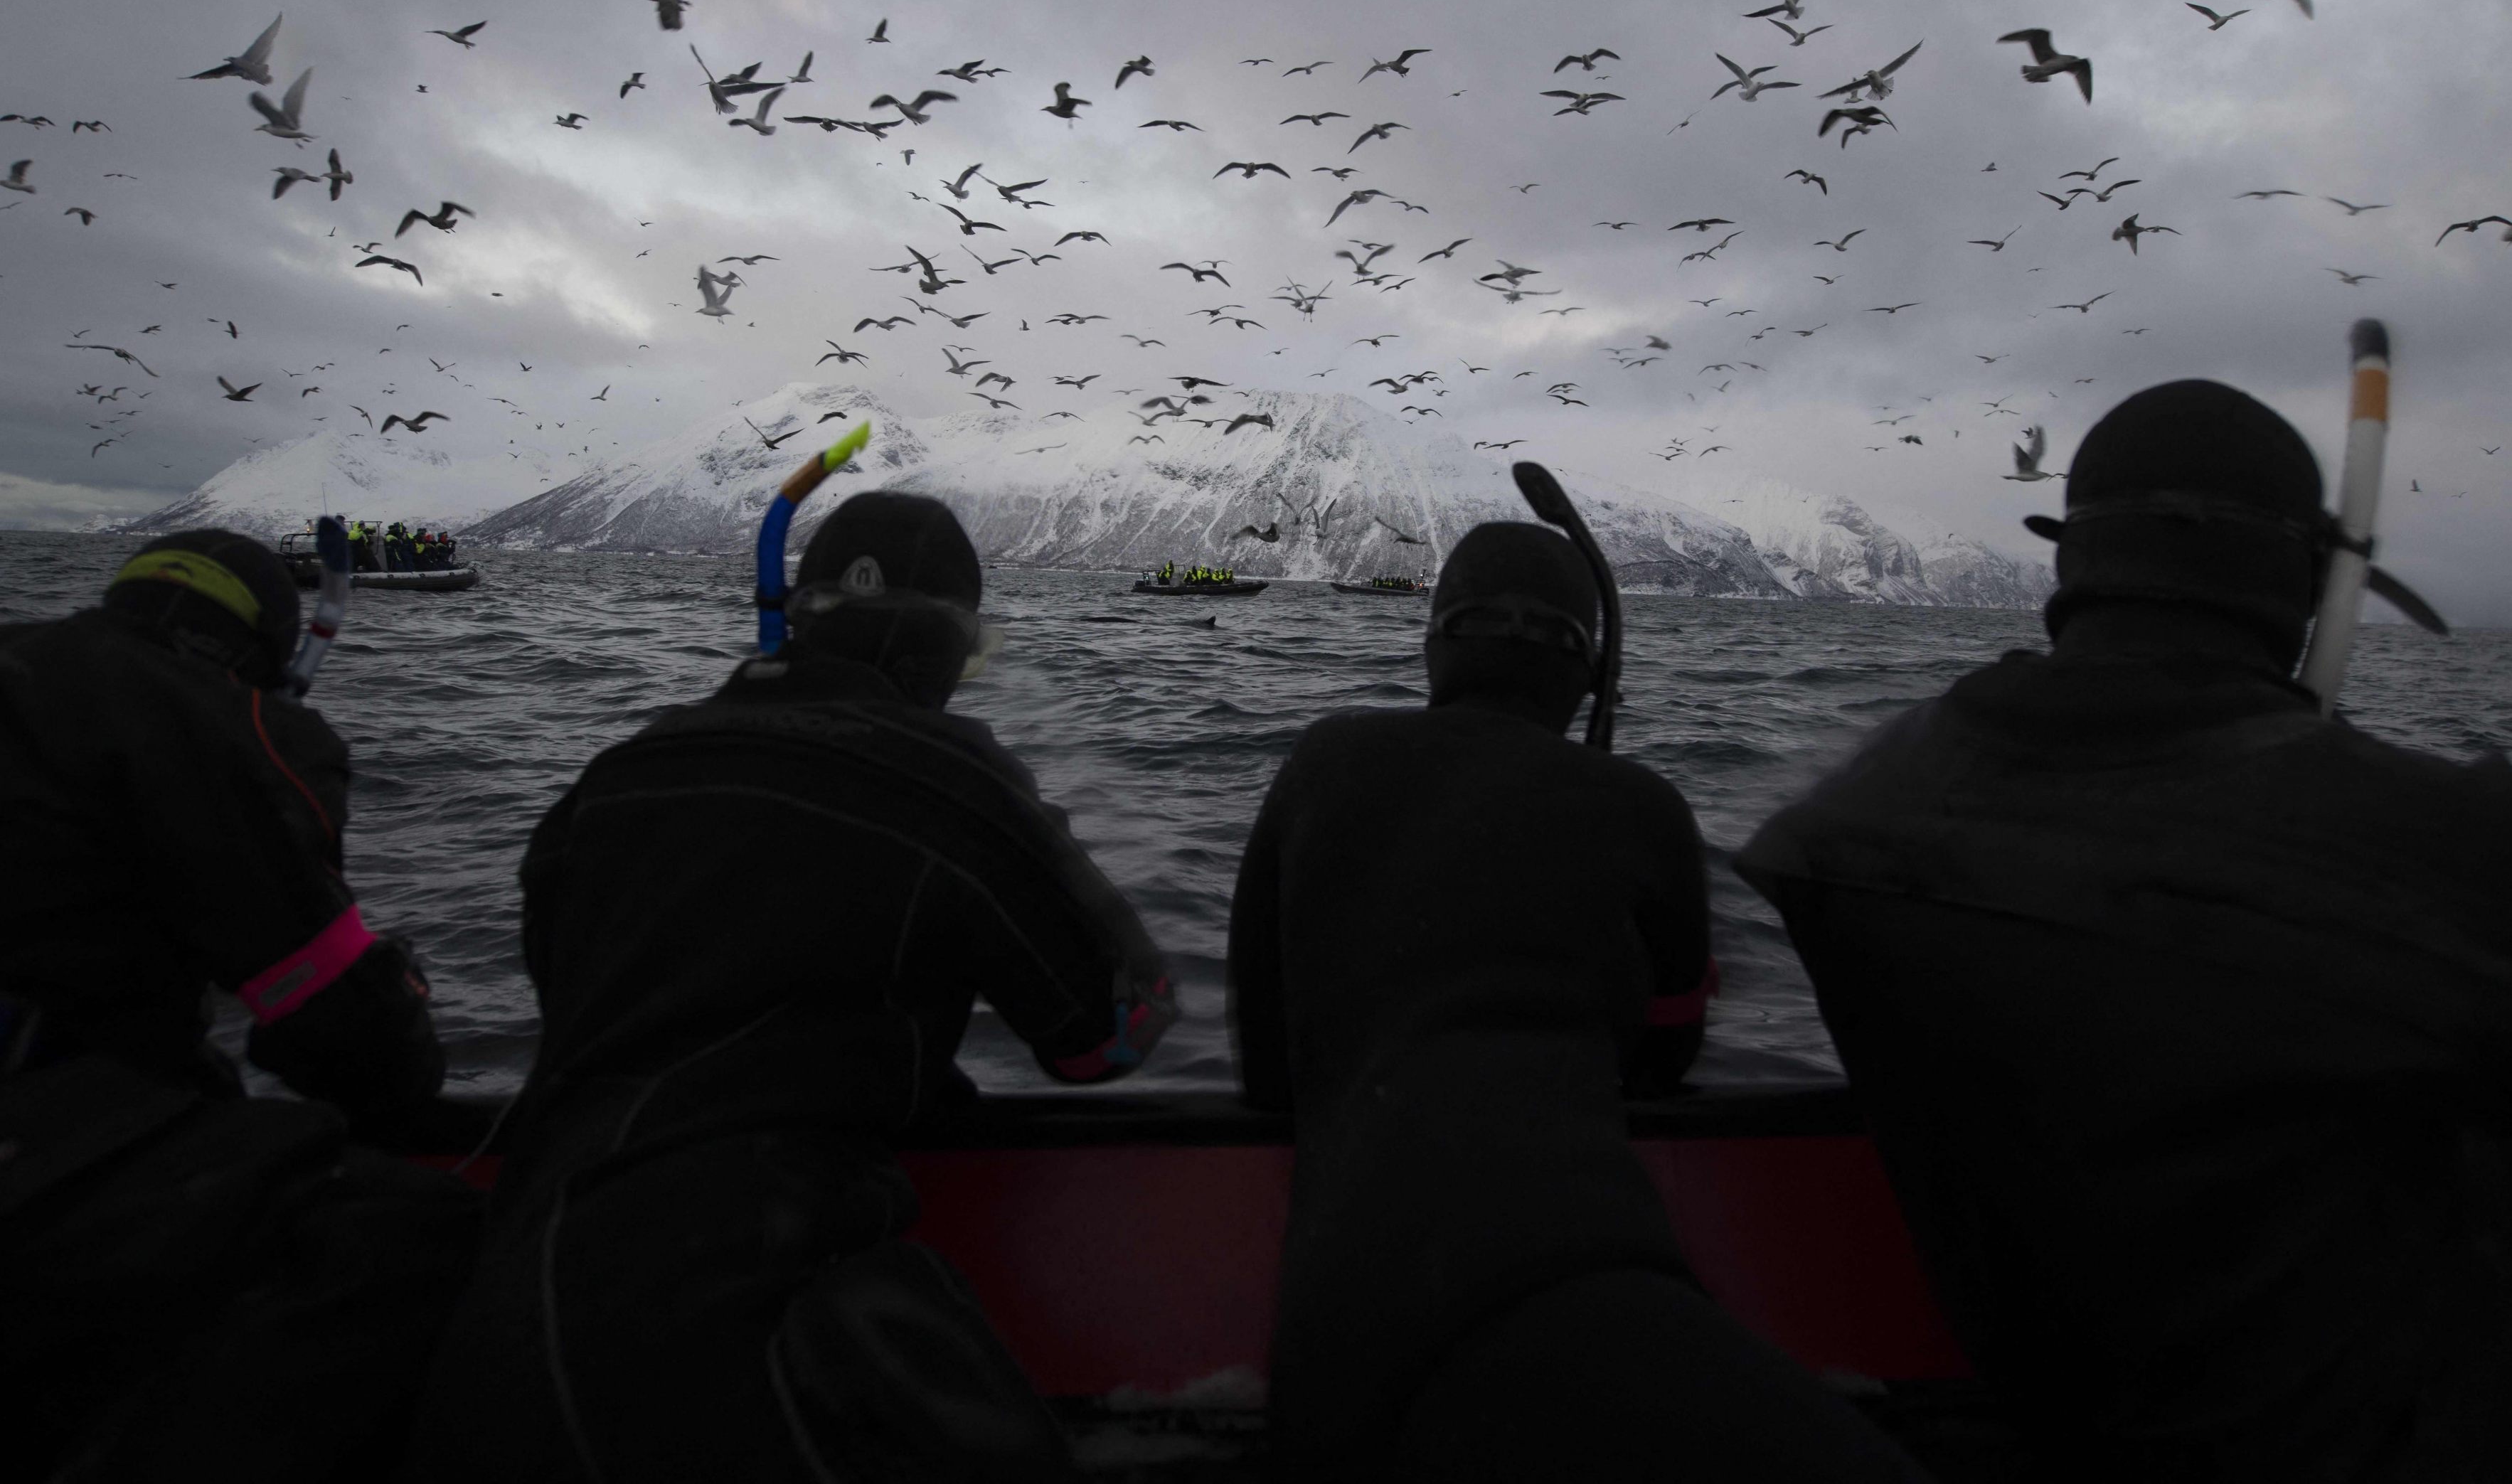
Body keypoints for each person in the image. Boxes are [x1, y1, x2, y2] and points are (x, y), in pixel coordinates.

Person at [1738, 380, 2512, 1483]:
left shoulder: (1844, 821)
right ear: (2308, 578)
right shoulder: (2450, 854)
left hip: (2044, 1407)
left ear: (2069, 561)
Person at [409, 491, 1178, 1483]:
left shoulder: (611, 779)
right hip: (736, 1354)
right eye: (970, 652)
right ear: (931, 645)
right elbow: (1101, 1036)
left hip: (501, 1331)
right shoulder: (949, 780)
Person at [1228, 520, 1924, 1482]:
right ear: (1586, 675)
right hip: (1573, 1284)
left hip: (1332, 1346)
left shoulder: (1321, 762)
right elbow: (1667, 1058)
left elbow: (1268, 1065)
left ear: (1437, 642)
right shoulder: (1643, 808)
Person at [0, 528, 473, 1480]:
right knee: (427, 1235)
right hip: (37, 1144)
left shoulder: (31, 664)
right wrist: (397, 1005)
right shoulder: (221, 727)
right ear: (261, 651)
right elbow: (345, 1039)